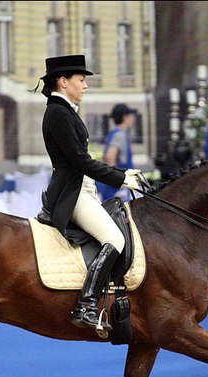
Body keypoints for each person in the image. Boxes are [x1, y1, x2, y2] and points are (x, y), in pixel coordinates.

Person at [35, 54, 142, 333]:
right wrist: (121, 176)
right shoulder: (58, 113)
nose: (85, 86)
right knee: (114, 238)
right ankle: (86, 305)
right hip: (72, 193)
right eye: (81, 80)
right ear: (63, 81)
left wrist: (120, 174)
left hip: (83, 188)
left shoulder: (66, 110)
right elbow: (80, 162)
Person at [98, 103, 137, 201]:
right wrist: (120, 182)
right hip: (117, 189)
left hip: (115, 187)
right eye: (131, 116)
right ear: (125, 117)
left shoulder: (114, 133)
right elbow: (109, 157)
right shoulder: (120, 135)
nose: (133, 118)